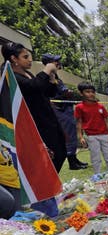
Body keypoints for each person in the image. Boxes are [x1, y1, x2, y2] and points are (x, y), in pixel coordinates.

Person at [1, 43, 67, 173]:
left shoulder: (27, 74)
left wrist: (52, 76)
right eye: (25, 57)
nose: (30, 60)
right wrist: (46, 70)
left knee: (60, 153)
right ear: (14, 59)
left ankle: (49, 188)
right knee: (49, 159)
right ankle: (45, 191)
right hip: (35, 126)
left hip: (48, 120)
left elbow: (47, 92)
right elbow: (33, 86)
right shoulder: (11, 77)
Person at [42, 53, 87, 170]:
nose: (58, 63)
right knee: (68, 135)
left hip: (66, 109)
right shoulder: (48, 78)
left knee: (72, 135)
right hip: (60, 111)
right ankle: (72, 162)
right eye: (55, 61)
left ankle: (74, 158)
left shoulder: (56, 77)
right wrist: (67, 93)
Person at [74, 82, 108, 174]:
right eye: (87, 92)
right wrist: (80, 136)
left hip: (104, 135)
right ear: (81, 93)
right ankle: (97, 176)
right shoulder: (79, 107)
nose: (90, 94)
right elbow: (79, 122)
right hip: (91, 136)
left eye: (92, 92)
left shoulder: (100, 106)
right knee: (95, 157)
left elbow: (107, 121)